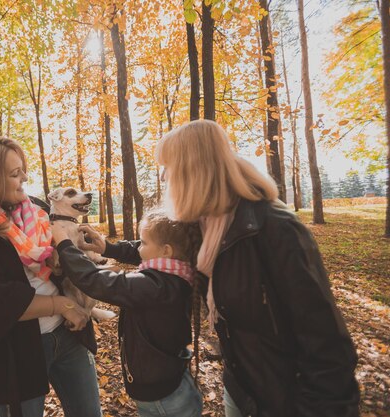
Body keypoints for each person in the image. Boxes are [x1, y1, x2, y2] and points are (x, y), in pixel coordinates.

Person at [148, 119, 359, 417]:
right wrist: (105, 248)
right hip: (240, 386)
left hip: (286, 398)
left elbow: (326, 345)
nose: (164, 176)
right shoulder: (205, 225)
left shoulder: (274, 229)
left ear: (191, 169)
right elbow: (165, 248)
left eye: (168, 167)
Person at [0, 137, 102, 417]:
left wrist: (79, 249)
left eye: (22, 169)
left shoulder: (35, 208)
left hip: (70, 335)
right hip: (17, 352)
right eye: (15, 173)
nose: (24, 177)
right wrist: (64, 305)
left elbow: (60, 249)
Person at [51, 210, 204, 417]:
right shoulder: (175, 274)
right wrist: (107, 247)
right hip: (171, 386)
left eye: (142, 242)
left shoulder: (154, 287)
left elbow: (96, 281)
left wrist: (64, 245)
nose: (138, 247)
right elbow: (141, 251)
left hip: (163, 401)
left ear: (166, 251)